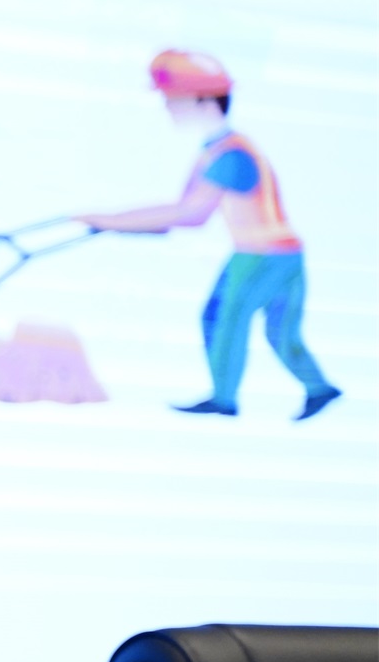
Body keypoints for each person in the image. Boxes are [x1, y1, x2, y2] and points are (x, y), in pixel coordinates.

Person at [77, 50, 341, 421]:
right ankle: (319, 389)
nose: (167, 107)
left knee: (224, 321)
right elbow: (179, 214)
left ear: (203, 100)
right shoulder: (220, 149)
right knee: (274, 332)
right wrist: (116, 224)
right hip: (275, 253)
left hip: (262, 256)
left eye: (173, 99)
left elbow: (190, 215)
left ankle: (225, 400)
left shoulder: (231, 156)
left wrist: (111, 221)